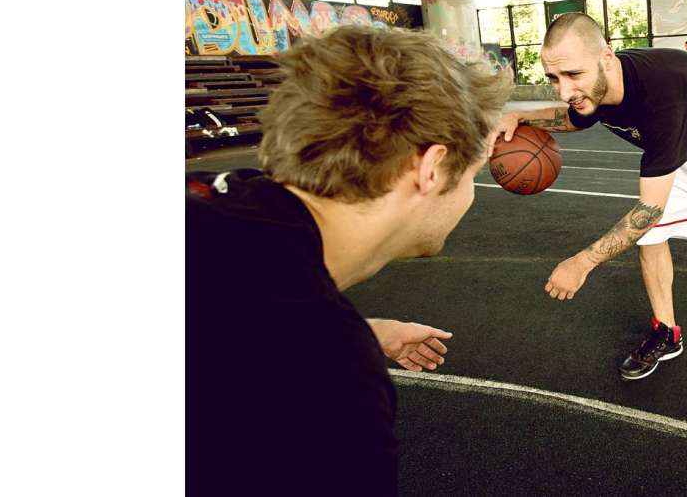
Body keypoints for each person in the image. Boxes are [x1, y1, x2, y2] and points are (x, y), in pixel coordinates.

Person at [186, 25, 513, 495]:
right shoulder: (327, 375)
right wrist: (333, 339)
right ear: (431, 167)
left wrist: (358, 329)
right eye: (473, 174)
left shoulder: (214, 197)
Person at [497, 12, 687, 381]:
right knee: (652, 240)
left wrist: (582, 263)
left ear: (606, 57)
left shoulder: (665, 95)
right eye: (553, 78)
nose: (564, 91)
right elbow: (571, 118)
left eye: (573, 75)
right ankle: (666, 332)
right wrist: (522, 119)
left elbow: (649, 209)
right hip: (685, 157)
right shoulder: (597, 89)